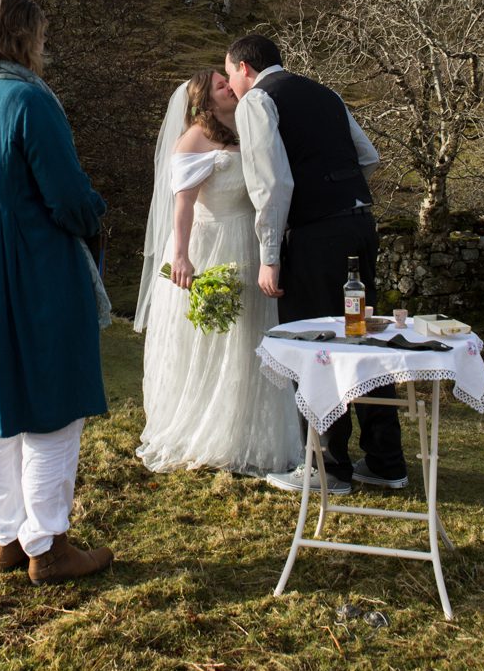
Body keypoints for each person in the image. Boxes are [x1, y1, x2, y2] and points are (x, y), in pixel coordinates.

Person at [0, 0, 114, 584]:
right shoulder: (28, 102)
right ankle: (49, 546)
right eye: (39, 35)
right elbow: (67, 199)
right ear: (24, 36)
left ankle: (8, 537)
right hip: (31, 273)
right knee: (50, 404)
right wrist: (96, 208)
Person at [224, 33, 407, 494]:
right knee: (360, 337)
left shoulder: (258, 101)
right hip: (360, 225)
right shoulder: (326, 93)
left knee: (316, 344)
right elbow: (368, 155)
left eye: (229, 73)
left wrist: (269, 257)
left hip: (314, 237)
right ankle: (386, 462)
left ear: (245, 67)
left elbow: (272, 185)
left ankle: (327, 467)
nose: (230, 84)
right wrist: (339, 198)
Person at [134, 69, 304, 475]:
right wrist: (181, 255)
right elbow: (184, 203)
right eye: (219, 85)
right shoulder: (193, 138)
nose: (229, 86)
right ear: (205, 101)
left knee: (250, 337)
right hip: (212, 246)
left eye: (227, 80)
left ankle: (246, 435)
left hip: (249, 240)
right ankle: (204, 431)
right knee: (214, 339)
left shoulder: (246, 129)